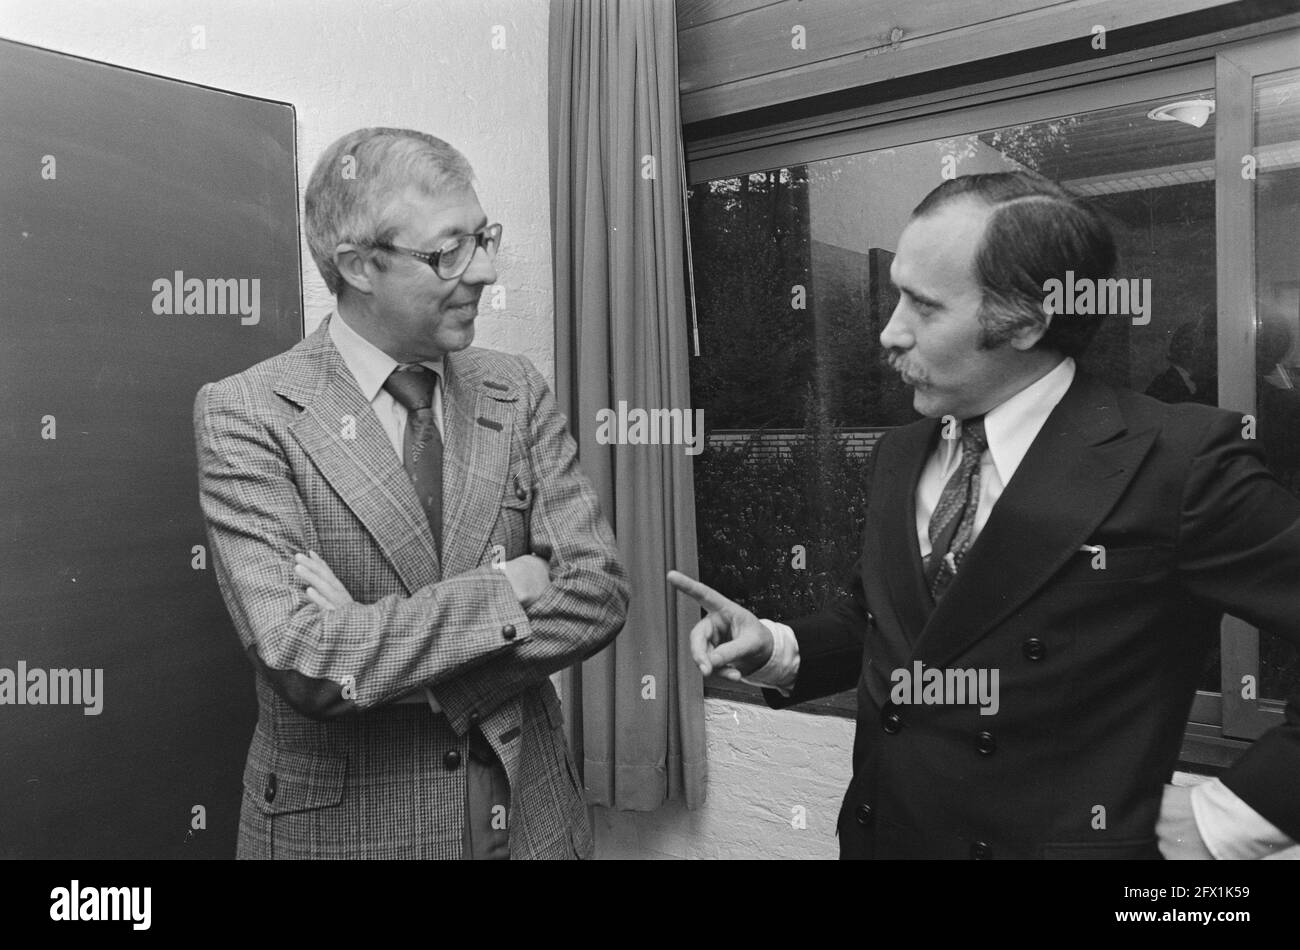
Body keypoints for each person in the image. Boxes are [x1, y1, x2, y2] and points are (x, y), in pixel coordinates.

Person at [670, 172, 1300, 859]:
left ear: (1026, 320)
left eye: (923, 305)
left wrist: (1232, 816)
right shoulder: (901, 452)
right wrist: (776, 647)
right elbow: (893, 630)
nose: (889, 333)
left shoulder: (1179, 461)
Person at [194, 127, 628, 859]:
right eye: (449, 251)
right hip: (349, 833)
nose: (485, 270)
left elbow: (599, 593)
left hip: (530, 822)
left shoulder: (514, 389)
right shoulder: (249, 413)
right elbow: (306, 658)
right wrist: (503, 592)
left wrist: (413, 675)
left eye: (485, 238)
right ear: (360, 266)